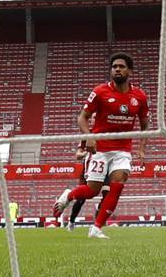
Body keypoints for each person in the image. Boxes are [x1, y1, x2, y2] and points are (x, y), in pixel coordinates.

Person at [53, 52, 149, 239]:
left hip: (122, 151)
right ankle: (68, 195)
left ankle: (97, 228)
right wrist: (88, 137)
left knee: (118, 185)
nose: (117, 69)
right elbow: (82, 117)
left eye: (121, 66)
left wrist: (142, 148)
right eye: (114, 67)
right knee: (91, 191)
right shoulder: (100, 92)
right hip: (100, 149)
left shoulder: (139, 96)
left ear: (130, 71)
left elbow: (145, 124)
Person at [65, 140, 106, 230]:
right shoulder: (87, 136)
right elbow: (78, 155)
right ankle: (71, 222)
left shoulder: (107, 135)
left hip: (104, 168)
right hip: (87, 171)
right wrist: (86, 153)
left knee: (106, 194)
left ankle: (97, 224)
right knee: (80, 199)